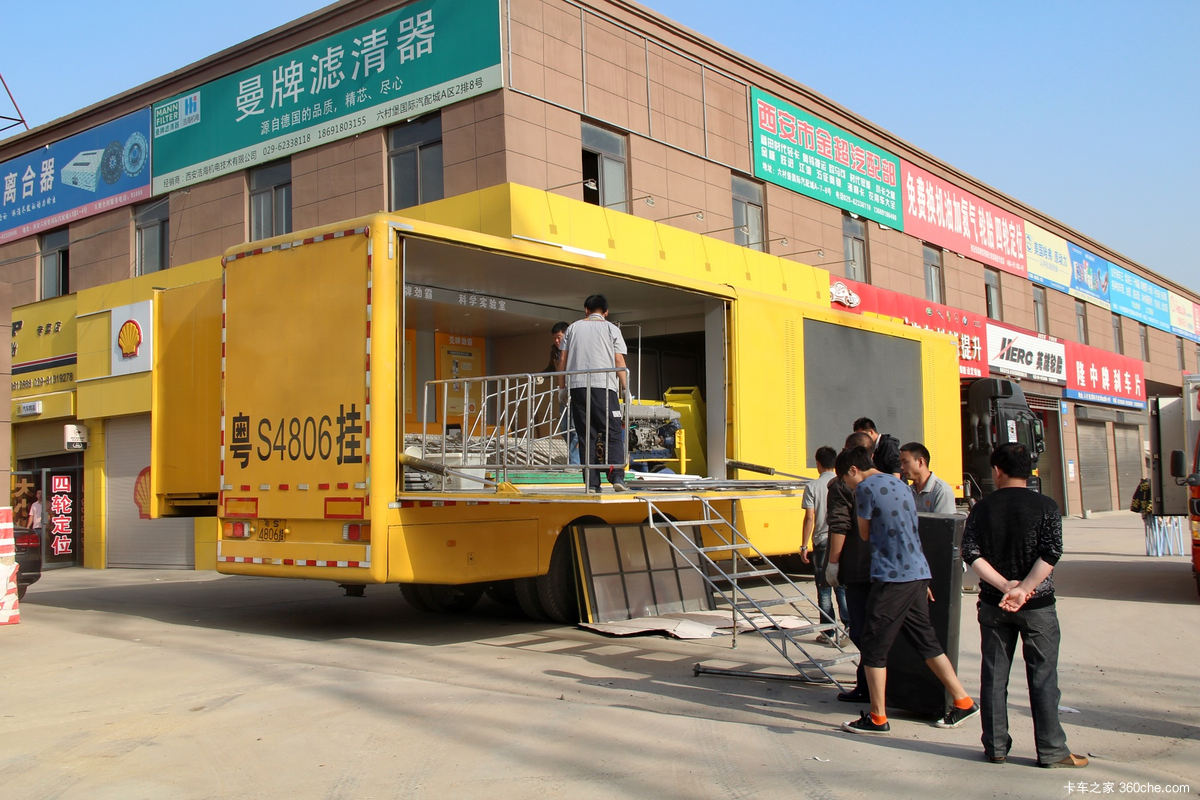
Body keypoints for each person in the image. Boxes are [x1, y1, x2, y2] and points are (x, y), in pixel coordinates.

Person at [833, 445, 978, 735]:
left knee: (874, 644)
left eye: (845, 480)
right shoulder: (900, 484)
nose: (847, 486)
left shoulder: (865, 489)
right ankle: (962, 700)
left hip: (892, 576)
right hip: (916, 572)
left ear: (853, 470)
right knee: (926, 641)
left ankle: (877, 717)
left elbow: (864, 533)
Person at [962, 442, 1088, 768]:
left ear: (997, 471)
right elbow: (1051, 552)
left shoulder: (982, 508)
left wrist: (1005, 586)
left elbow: (971, 553)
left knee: (994, 677)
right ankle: (1051, 750)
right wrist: (1025, 589)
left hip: (994, 603)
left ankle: (995, 747)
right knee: (1043, 677)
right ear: (1029, 472)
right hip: (1038, 605)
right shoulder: (1046, 506)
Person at [559, 294, 629, 492]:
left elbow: (562, 360)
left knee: (585, 435)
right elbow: (619, 360)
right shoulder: (611, 329)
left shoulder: (573, 328)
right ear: (605, 312)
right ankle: (617, 477)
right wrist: (626, 388)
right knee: (611, 431)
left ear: (586, 310)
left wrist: (562, 387)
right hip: (603, 387)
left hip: (578, 387)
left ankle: (591, 483)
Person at [826, 431, 875, 702]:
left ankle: (869, 687)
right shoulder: (889, 482)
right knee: (875, 629)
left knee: (860, 629)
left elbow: (840, 525)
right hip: (883, 567)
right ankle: (870, 685)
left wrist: (833, 562)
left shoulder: (841, 485)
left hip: (856, 565)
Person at [800, 446, 847, 645]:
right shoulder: (843, 483)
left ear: (818, 464)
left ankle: (828, 632)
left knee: (824, 588)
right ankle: (849, 626)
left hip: (821, 542)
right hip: (840, 540)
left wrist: (804, 545)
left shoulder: (812, 486)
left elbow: (809, 517)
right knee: (841, 586)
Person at [545, 321, 580, 464]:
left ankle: (575, 462)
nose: (557, 341)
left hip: (577, 390)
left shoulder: (576, 348)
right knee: (564, 428)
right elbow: (551, 368)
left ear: (567, 335)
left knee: (574, 428)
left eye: (559, 337)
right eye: (555, 338)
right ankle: (575, 459)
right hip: (563, 392)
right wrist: (540, 376)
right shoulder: (555, 351)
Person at [900, 441, 957, 514]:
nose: (901, 467)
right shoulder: (908, 491)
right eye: (900, 463)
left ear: (921, 461)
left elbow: (944, 520)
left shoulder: (941, 490)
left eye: (905, 462)